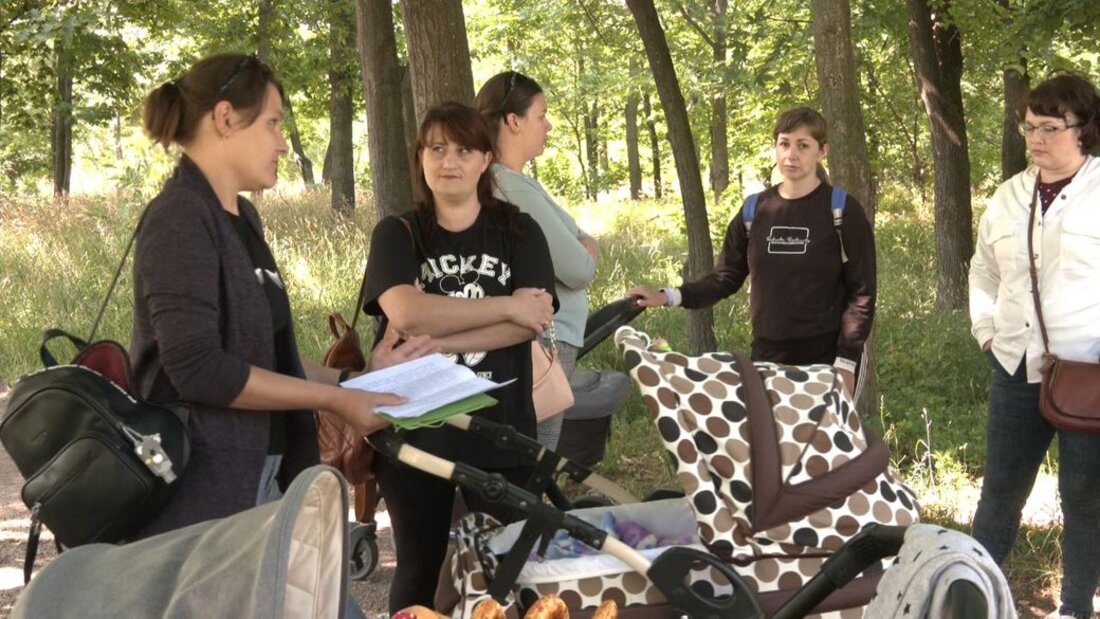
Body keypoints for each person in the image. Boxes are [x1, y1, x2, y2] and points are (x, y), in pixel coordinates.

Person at [132, 53, 433, 539]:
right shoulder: (180, 218)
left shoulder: (243, 219)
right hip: (207, 495)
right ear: (225, 118)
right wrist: (334, 401)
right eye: (272, 123)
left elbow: (267, 362)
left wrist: (354, 380)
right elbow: (199, 370)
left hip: (266, 472)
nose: (283, 143)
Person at [361, 101, 557, 612]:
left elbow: (533, 320)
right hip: (415, 431)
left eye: (464, 150)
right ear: (420, 158)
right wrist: (507, 305)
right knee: (418, 569)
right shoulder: (397, 233)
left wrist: (441, 339)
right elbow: (407, 313)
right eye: (437, 149)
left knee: (515, 567)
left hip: (502, 427)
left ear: (486, 159)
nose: (450, 161)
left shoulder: (519, 231)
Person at [968, 73, 1100, 619]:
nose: (1037, 139)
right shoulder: (1008, 196)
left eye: (1050, 127)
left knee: (1085, 496)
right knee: (1000, 492)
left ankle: (1074, 608)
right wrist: (986, 331)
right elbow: (983, 270)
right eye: (1029, 127)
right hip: (1015, 367)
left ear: (1083, 129)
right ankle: (974, 600)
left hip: (1088, 372)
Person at [628, 107, 875, 397]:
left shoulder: (842, 210)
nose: (791, 155)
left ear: (822, 151)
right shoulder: (755, 210)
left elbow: (862, 293)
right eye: (784, 144)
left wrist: (846, 362)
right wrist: (667, 296)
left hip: (828, 359)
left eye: (803, 145)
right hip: (768, 356)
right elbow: (725, 278)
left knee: (827, 430)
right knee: (767, 429)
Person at [474, 70, 599, 451]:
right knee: (535, 454)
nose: (548, 126)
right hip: (542, 343)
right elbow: (578, 268)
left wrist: (582, 243)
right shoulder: (511, 186)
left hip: (541, 337)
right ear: (514, 121)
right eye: (541, 115)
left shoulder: (508, 182)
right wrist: (588, 243)